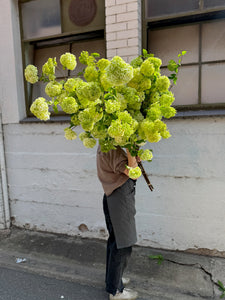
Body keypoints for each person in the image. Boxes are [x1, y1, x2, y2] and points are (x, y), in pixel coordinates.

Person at [96, 145, 139, 300]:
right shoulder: (112, 147)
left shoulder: (106, 142)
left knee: (116, 241)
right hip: (119, 197)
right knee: (123, 244)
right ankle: (115, 291)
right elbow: (133, 172)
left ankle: (113, 279)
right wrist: (131, 149)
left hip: (113, 196)